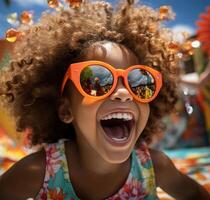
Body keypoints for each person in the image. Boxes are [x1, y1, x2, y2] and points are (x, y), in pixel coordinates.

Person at [0, 0, 209, 199]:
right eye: (97, 80)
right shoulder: (37, 173)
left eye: (139, 82)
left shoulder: (154, 167)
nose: (124, 93)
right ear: (66, 111)